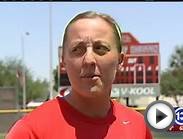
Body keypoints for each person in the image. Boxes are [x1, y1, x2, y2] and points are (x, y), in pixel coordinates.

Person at [6, 11, 152, 139]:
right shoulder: (30, 131)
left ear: (120, 60)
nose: (89, 60)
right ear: (63, 61)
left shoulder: (137, 126)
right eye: (77, 49)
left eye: (100, 48)